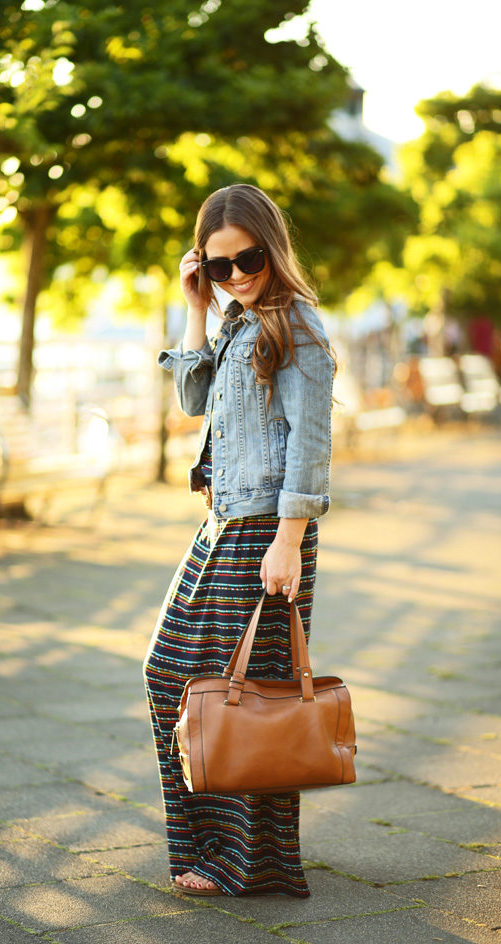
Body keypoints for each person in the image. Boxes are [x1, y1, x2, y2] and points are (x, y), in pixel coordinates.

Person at [143, 183, 335, 898]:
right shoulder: (233, 321)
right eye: (218, 266)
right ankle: (221, 850)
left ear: (271, 247)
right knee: (180, 678)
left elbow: (311, 447)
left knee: (246, 694)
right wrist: (195, 306)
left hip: (266, 531)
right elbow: (191, 400)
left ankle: (245, 860)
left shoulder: (298, 326)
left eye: (247, 259)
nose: (236, 276)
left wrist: (288, 541)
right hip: (223, 524)